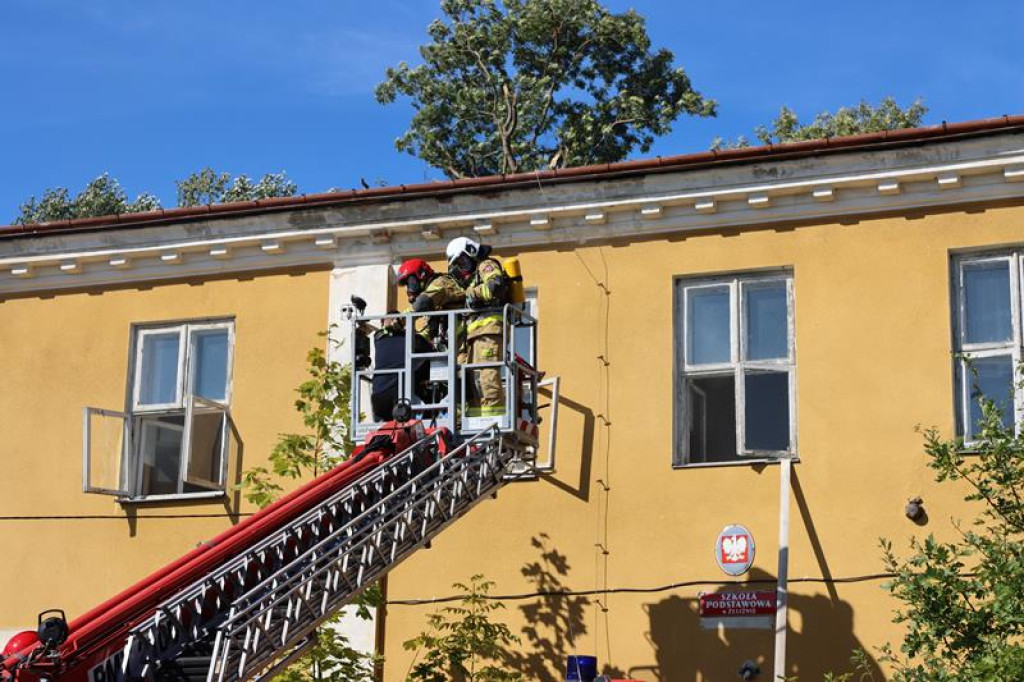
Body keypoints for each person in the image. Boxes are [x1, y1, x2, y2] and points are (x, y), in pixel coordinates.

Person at [446, 237, 510, 418]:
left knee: (487, 379)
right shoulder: (473, 278)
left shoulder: (486, 265)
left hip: (489, 331)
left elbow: (496, 286)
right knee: (472, 382)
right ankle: (475, 421)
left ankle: (493, 421)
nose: (463, 267)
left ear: (472, 252)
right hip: (476, 335)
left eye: (463, 261)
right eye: (458, 264)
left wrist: (472, 293)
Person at [395, 258, 465, 347]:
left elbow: (423, 302)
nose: (410, 288)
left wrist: (398, 321)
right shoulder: (431, 302)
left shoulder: (440, 283)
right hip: (452, 342)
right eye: (408, 285)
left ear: (422, 275)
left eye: (412, 282)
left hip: (464, 336)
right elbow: (429, 329)